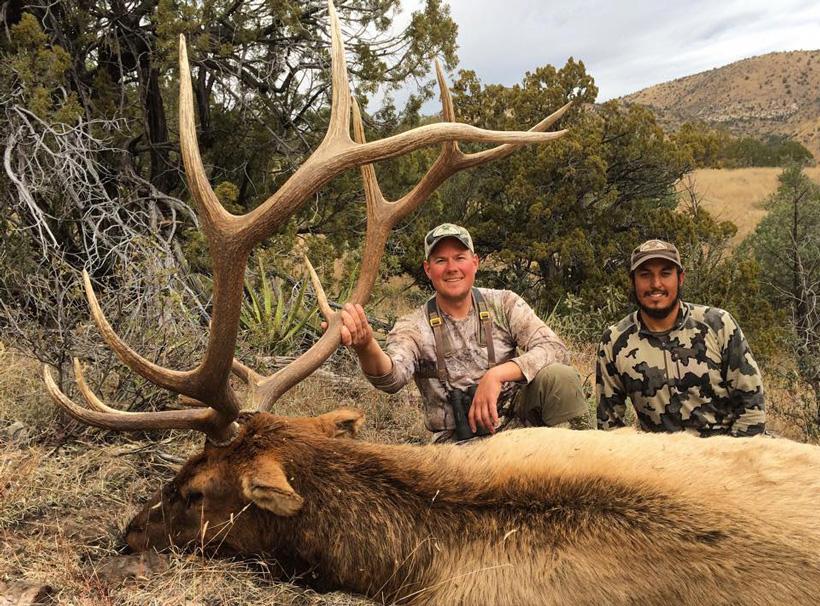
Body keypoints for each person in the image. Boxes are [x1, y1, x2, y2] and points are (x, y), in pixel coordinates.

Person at [337, 222, 590, 443]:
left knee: (560, 377)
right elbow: (391, 377)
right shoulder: (413, 326)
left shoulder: (504, 304)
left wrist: (497, 375)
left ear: (475, 262)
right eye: (440, 260)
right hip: (457, 448)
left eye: (459, 257)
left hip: (519, 431)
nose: (451, 268)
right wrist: (366, 345)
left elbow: (555, 349)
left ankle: (584, 472)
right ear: (427, 269)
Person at [596, 239, 766, 437]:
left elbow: (752, 411)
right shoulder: (614, 341)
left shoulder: (718, 324)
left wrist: (729, 460)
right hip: (659, 461)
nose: (656, 284)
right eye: (645, 275)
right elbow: (609, 428)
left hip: (725, 454)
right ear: (632, 281)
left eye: (665, 274)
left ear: (681, 278)